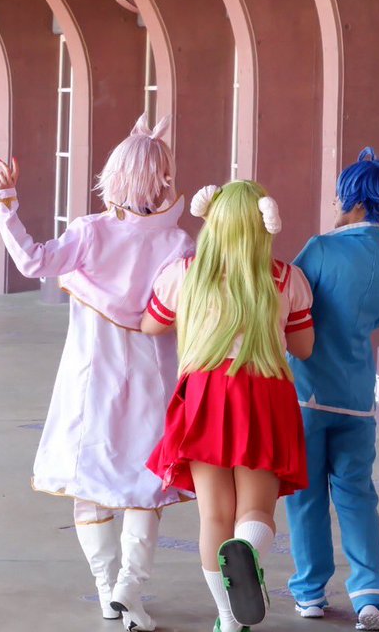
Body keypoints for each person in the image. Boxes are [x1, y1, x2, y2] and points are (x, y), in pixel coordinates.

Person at [0, 114, 193, 632]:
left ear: (116, 174)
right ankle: (130, 588)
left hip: (90, 376)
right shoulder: (178, 244)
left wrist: (6, 206)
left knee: (90, 482)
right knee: (146, 484)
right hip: (152, 377)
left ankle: (107, 591)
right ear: (162, 178)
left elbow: (33, 262)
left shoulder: (90, 231)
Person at [142, 180, 315, 632]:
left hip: (204, 395)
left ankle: (228, 619)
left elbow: (151, 325)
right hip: (266, 393)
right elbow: (304, 346)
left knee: (214, 515)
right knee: (256, 511)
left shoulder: (185, 274)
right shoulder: (286, 278)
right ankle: (249, 551)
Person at [283, 147, 379, 632]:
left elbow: (289, 304)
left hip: (307, 392)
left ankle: (310, 593)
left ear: (355, 200)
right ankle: (369, 596)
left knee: (305, 496)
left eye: (341, 195)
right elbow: (376, 321)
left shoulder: (319, 249)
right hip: (358, 397)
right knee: (357, 495)